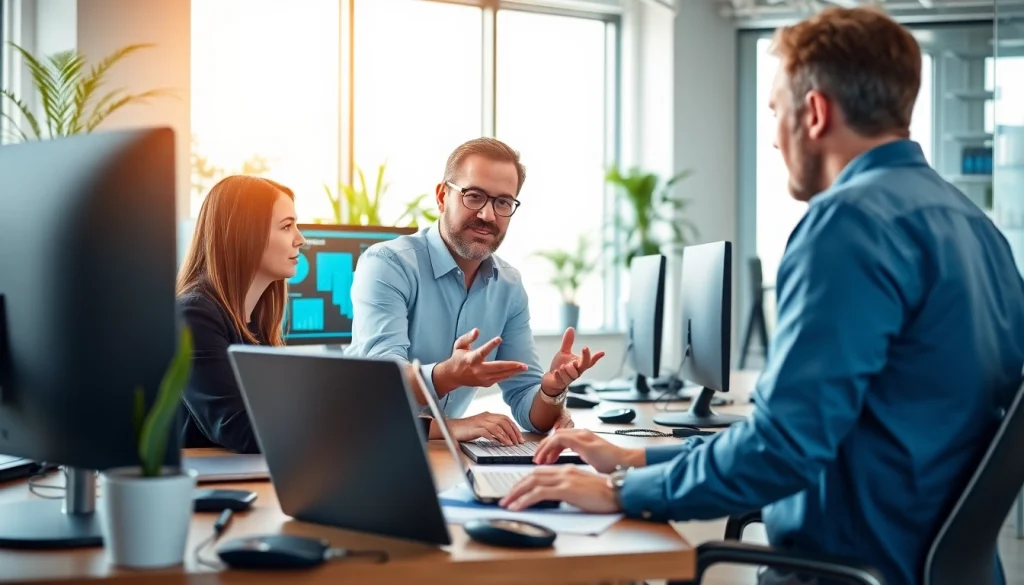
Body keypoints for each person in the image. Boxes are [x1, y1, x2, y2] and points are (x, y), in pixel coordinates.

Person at [499, 7, 1024, 585]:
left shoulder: (849, 224)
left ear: (815, 113)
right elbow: (817, 431)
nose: (774, 139)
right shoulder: (978, 228)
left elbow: (783, 449)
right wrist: (633, 458)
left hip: (843, 571)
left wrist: (619, 490)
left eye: (775, 113)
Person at [347, 137, 605, 445]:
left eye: (503, 203)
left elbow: (530, 409)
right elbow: (381, 382)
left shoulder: (509, 286)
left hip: (442, 456)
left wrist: (551, 391)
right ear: (443, 196)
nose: (487, 215)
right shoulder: (388, 263)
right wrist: (448, 376)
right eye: (474, 196)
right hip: (368, 444)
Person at [177, 175, 307, 453]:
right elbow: (242, 429)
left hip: (242, 473)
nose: (300, 239)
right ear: (244, 234)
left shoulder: (259, 320)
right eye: (287, 226)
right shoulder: (192, 316)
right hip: (199, 486)